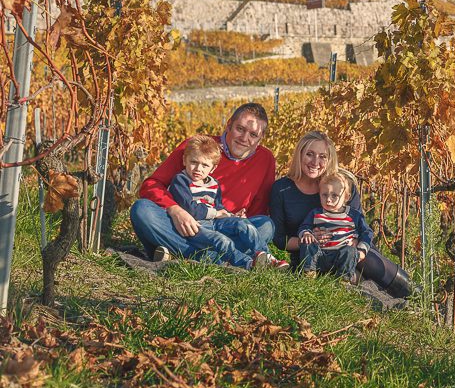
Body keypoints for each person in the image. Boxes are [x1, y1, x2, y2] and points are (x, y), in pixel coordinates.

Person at [269, 131, 412, 298]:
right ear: (299, 155)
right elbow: (279, 239)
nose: (316, 162)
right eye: (309, 154)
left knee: (367, 262)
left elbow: (360, 227)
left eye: (322, 156)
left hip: (349, 249)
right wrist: (306, 239)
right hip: (313, 254)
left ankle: (413, 294)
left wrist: (351, 246)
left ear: (330, 159)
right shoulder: (282, 189)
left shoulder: (343, 185)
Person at [131, 103, 278, 265]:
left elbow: (259, 210)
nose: (244, 138)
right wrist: (175, 210)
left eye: (253, 134)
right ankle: (221, 258)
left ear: (260, 138)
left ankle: (184, 254)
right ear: (229, 124)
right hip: (186, 226)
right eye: (240, 129)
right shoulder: (199, 147)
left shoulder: (265, 160)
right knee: (142, 210)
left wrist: (242, 219)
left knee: (266, 226)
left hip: (226, 226)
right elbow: (151, 184)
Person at [167, 134, 287, 270]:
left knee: (244, 225)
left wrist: (231, 216)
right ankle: (246, 263)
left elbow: (218, 207)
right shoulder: (181, 180)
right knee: (222, 240)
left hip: (215, 222)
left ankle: (267, 257)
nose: (198, 169)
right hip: (196, 227)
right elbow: (190, 208)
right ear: (185, 160)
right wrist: (216, 213)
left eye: (205, 165)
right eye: (194, 162)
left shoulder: (213, 184)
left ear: (212, 169)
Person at [298, 172, 373, 280]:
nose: (328, 199)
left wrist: (362, 250)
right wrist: (306, 233)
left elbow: (367, 232)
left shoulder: (353, 215)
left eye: (334, 196)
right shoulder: (316, 213)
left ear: (346, 197)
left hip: (341, 256)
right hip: (319, 255)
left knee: (350, 251)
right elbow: (304, 226)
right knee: (308, 244)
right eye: (324, 195)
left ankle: (344, 277)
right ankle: (309, 272)